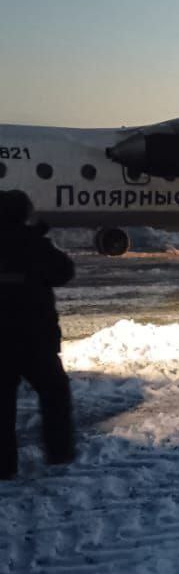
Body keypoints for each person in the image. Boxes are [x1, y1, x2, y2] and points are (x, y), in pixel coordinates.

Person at [0, 190, 75, 479]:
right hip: (34, 339)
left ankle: (4, 468)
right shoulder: (34, 245)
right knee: (55, 394)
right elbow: (64, 272)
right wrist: (35, 240)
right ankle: (59, 453)